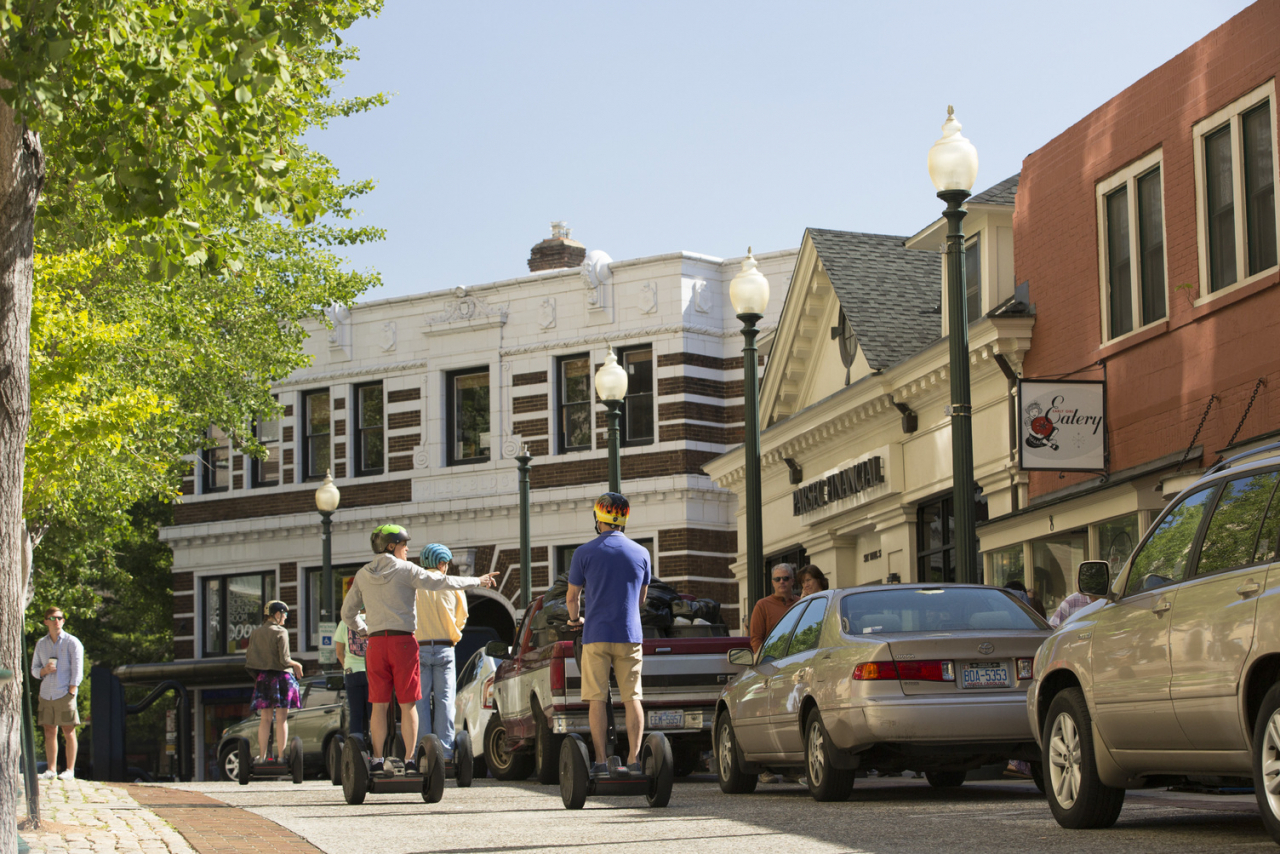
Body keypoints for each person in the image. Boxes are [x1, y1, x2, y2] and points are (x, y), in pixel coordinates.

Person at [341, 524, 499, 776]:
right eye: (404, 546)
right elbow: (442, 581)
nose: (407, 550)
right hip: (403, 642)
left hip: (376, 644)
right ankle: (411, 759)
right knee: (408, 704)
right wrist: (477, 581)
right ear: (391, 546)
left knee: (379, 705)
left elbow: (346, 613)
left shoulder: (362, 574)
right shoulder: (406, 570)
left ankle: (378, 759)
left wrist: (363, 630)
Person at [566, 492, 651, 778]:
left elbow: (572, 597)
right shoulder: (642, 553)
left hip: (596, 634)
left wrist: (575, 619)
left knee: (597, 699)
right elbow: (641, 600)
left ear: (597, 518)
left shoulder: (583, 553)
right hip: (630, 634)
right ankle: (635, 760)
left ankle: (601, 762)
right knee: (632, 697)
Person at [415, 543, 469, 761]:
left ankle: (424, 751)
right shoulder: (453, 585)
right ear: (441, 563)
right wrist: (452, 630)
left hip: (419, 648)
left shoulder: (415, 585)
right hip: (446, 647)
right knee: (445, 701)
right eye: (446, 563)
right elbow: (462, 617)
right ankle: (445, 752)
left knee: (420, 702)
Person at [245, 600, 304, 763]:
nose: (285, 618)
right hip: (281, 677)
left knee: (265, 719)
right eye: (284, 614)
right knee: (281, 718)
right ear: (277, 614)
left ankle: (262, 757)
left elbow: (249, 660)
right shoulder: (281, 632)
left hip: (264, 678)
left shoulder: (256, 633)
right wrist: (296, 664)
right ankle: (280, 757)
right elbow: (285, 660)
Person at [30, 606, 84, 780]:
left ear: (63, 621)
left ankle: (69, 770)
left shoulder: (72, 642)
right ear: (46, 621)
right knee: (49, 731)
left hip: (64, 692)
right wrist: (44, 671)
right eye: (53, 618)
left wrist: (72, 691)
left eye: (60, 618)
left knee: (68, 731)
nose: (57, 621)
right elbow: (34, 670)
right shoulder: (41, 643)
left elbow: (78, 670)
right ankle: (51, 770)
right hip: (46, 693)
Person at [335, 608, 372, 744]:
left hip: (352, 672)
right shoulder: (373, 620)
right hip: (371, 672)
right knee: (374, 712)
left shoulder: (344, 623)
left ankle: (357, 746)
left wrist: (347, 667)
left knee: (355, 713)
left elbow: (339, 652)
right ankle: (376, 746)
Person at [749, 563, 798, 653]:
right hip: (773, 660)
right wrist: (764, 661)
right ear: (773, 583)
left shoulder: (801, 603)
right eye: (777, 579)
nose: (781, 581)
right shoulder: (762, 605)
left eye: (785, 578)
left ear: (792, 581)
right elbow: (756, 639)